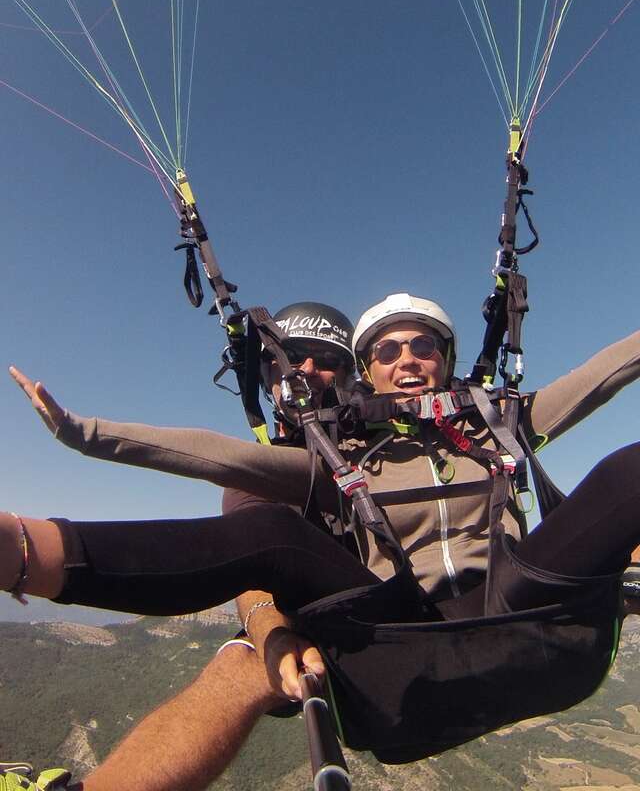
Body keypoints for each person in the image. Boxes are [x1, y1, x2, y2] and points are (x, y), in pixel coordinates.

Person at [4, 294, 640, 776]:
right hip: (398, 638)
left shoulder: (498, 426)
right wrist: (84, 433)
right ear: (371, 372)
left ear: (446, 361)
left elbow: (599, 378)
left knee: (626, 472)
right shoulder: (342, 462)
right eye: (388, 352)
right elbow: (222, 457)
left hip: (527, 612)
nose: (408, 361)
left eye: (423, 348)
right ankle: (23, 552)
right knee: (273, 536)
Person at [4, 301, 356, 791]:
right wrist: (270, 632)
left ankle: (26, 551)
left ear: (353, 377)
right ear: (269, 374)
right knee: (240, 665)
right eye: (291, 356)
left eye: (328, 359)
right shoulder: (259, 473)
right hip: (318, 623)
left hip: (392, 608)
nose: (308, 370)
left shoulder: (380, 448)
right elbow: (244, 562)